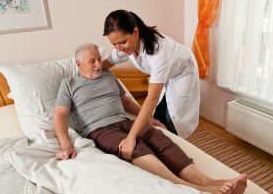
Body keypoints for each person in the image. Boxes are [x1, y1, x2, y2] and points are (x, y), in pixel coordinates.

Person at [54, 43, 247, 194]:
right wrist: (66, 144)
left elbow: (126, 101)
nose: (98, 64)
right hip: (101, 129)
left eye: (98, 59)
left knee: (161, 140)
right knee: (137, 147)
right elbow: (60, 115)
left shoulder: (108, 76)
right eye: (92, 61)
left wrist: (147, 117)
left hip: (126, 121)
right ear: (78, 64)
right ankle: (193, 188)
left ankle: (209, 181)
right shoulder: (69, 84)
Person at [103, 9, 200, 140]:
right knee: (157, 116)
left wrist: (131, 137)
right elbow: (109, 61)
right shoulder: (126, 45)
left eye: (122, 42)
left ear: (135, 32)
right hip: (166, 74)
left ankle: (175, 145)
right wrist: (86, 68)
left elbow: (152, 99)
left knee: (172, 120)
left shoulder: (159, 50)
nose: (119, 48)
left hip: (182, 74)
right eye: (114, 44)